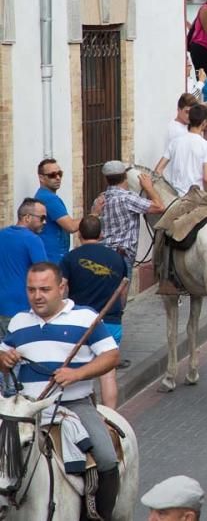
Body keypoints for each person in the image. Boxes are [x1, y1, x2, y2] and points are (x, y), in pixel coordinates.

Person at [0, 262, 121, 518]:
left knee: (107, 457)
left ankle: (100, 515)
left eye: (44, 289)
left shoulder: (85, 317)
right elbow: (2, 357)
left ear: (61, 287)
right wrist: (4, 360)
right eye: (31, 290)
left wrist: (77, 373)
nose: (37, 296)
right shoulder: (18, 322)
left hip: (74, 406)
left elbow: (111, 356)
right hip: (26, 410)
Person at [60, 215, 128, 408]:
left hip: (80, 323)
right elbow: (122, 293)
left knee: (79, 370)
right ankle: (110, 420)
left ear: (79, 234)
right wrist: (119, 311)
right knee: (108, 374)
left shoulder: (70, 258)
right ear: (101, 234)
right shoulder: (117, 258)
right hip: (111, 320)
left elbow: (62, 288)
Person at [97, 161, 166, 274]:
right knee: (121, 291)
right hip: (121, 258)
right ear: (125, 176)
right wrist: (149, 188)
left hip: (101, 255)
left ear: (105, 179)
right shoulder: (128, 199)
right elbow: (160, 207)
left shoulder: (99, 200)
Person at [154, 103, 207, 199]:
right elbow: (206, 178)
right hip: (196, 198)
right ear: (204, 122)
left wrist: (167, 189)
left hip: (175, 199)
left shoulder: (175, 142)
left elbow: (158, 170)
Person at [0, 199, 49, 334]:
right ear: (27, 217)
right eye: (42, 218)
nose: (45, 222)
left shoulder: (2, 235)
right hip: (21, 308)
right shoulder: (33, 240)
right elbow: (44, 273)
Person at [34, 158, 79, 263]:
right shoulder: (49, 198)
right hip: (53, 257)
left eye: (60, 174)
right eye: (52, 175)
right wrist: (94, 214)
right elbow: (71, 226)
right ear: (41, 178)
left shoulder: (44, 196)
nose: (58, 178)